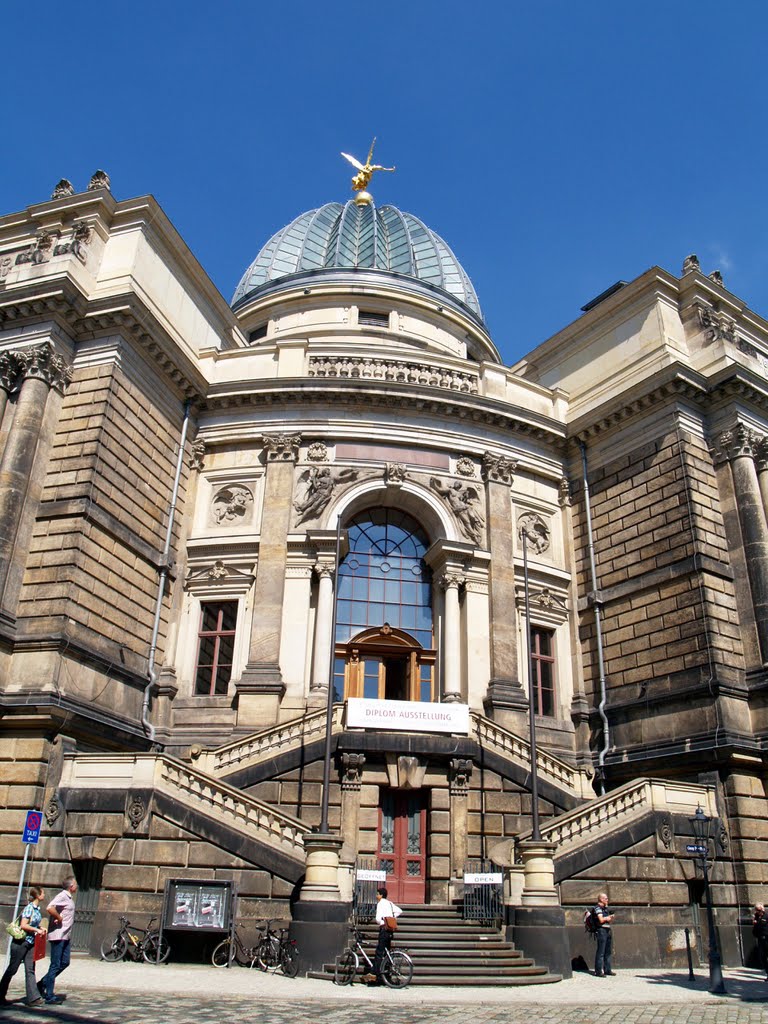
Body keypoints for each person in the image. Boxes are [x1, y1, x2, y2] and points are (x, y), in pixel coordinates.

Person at [0, 885, 46, 1006]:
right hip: (21, 942)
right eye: (43, 893)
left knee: (30, 969)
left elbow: (33, 924)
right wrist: (36, 930)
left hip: (30, 943)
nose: (44, 895)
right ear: (38, 895)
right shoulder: (29, 908)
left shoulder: (37, 909)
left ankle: (33, 998)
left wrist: (40, 928)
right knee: (12, 969)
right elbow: (23, 925)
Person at [40, 876, 78, 1004]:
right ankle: (49, 996)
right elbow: (49, 907)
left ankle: (42, 983)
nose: (77, 886)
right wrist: (58, 918)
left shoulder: (68, 897)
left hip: (65, 936)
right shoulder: (63, 895)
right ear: (71, 886)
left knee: (65, 962)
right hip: (58, 935)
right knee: (55, 964)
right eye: (75, 884)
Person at [362, 886, 402, 984]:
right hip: (390, 930)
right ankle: (386, 974)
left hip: (384, 929)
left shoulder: (380, 904)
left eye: (377, 894)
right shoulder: (390, 903)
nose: (376, 896)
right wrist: (391, 917)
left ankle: (375, 974)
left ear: (381, 895)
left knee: (379, 952)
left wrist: (383, 920)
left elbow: (377, 918)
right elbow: (399, 911)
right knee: (386, 951)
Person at [593, 892, 615, 977]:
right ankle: (598, 971)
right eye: (606, 899)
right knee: (601, 951)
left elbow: (606, 920)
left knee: (608, 951)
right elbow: (601, 920)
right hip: (601, 930)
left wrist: (610, 918)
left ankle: (607, 969)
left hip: (607, 929)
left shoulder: (605, 908)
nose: (607, 900)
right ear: (601, 899)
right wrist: (607, 918)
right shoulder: (598, 908)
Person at [753, 902, 768, 978]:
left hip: (767, 938)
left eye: (759, 910)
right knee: (762, 957)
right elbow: (755, 930)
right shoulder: (756, 917)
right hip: (760, 939)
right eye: (756, 910)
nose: (757, 912)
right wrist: (755, 924)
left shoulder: (766, 916)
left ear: (762, 909)